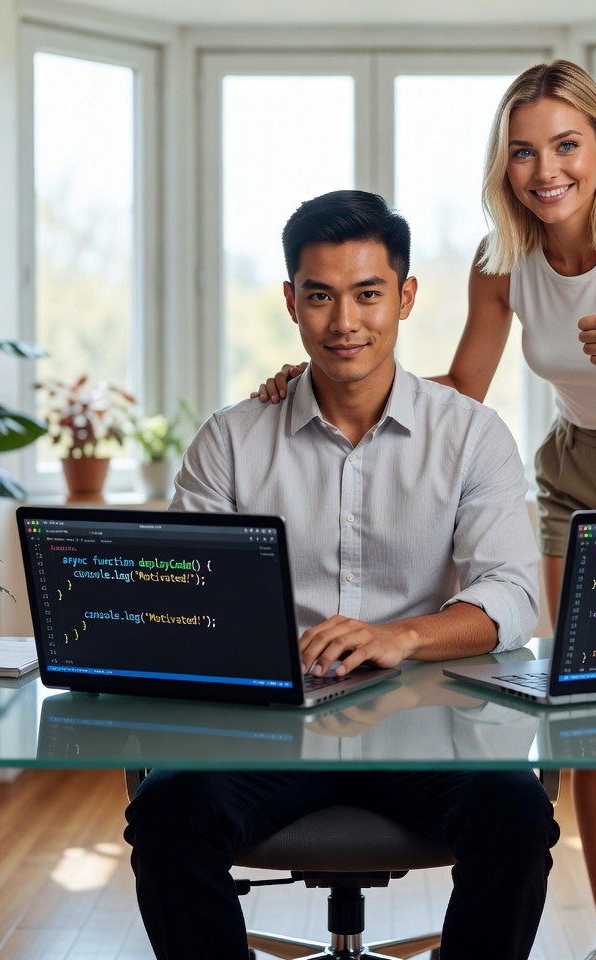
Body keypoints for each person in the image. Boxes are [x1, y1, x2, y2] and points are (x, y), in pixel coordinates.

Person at [254, 62, 596, 960]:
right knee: (586, 706)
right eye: (524, 151)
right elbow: (462, 391)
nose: (544, 168)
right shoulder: (502, 259)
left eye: (565, 145)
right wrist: (329, 373)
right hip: (576, 475)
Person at [124, 189, 559, 960]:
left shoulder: (470, 437)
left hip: (430, 737)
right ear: (292, 302)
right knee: (167, 811)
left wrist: (401, 637)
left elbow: (513, 595)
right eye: (320, 297)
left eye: (367, 295)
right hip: (267, 737)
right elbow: (184, 599)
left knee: (517, 816)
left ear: (406, 297)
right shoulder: (231, 440)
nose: (344, 322)